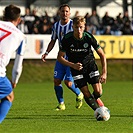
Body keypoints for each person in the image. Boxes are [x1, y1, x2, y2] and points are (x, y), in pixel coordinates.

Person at [57, 16, 107, 116]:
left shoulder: (88, 37)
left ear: (84, 27)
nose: (79, 30)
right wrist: (73, 65)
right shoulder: (67, 39)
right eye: (76, 27)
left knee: (98, 92)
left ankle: (94, 100)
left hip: (90, 66)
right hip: (76, 70)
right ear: (72, 27)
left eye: (81, 27)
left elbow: (102, 54)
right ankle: (99, 112)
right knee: (86, 93)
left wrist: (104, 73)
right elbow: (60, 58)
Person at [41, 4, 84, 111]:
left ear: (69, 13)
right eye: (62, 11)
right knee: (56, 81)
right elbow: (53, 40)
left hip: (72, 57)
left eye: (66, 11)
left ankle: (79, 94)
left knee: (68, 83)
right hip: (61, 57)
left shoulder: (74, 25)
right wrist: (46, 52)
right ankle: (61, 104)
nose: (64, 13)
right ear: (59, 13)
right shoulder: (56, 26)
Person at [0, 5, 26, 123]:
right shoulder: (20, 37)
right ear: (19, 20)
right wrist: (14, 81)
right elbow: (17, 66)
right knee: (9, 96)